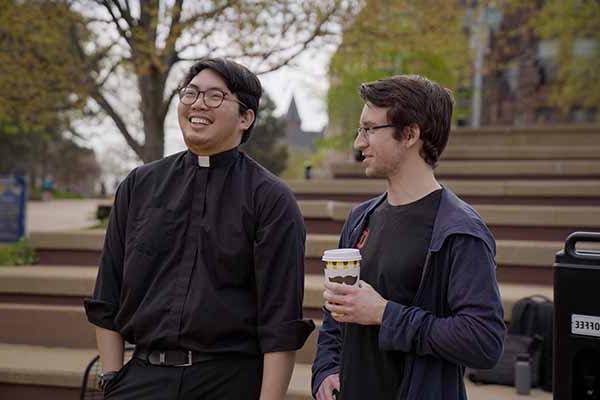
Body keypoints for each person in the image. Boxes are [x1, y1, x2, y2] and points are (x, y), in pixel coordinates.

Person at [84, 58, 314, 400]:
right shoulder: (139, 185)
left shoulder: (270, 199)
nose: (198, 103)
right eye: (190, 93)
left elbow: (280, 322)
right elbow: (108, 293)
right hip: (141, 378)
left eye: (215, 96)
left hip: (228, 381)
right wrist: (113, 376)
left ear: (245, 118)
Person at [311, 75, 505, 400]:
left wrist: (385, 314)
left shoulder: (460, 229)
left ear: (411, 134)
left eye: (370, 129)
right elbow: (336, 314)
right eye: (361, 130)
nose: (359, 143)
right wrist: (326, 369)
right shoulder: (360, 218)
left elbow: (484, 340)